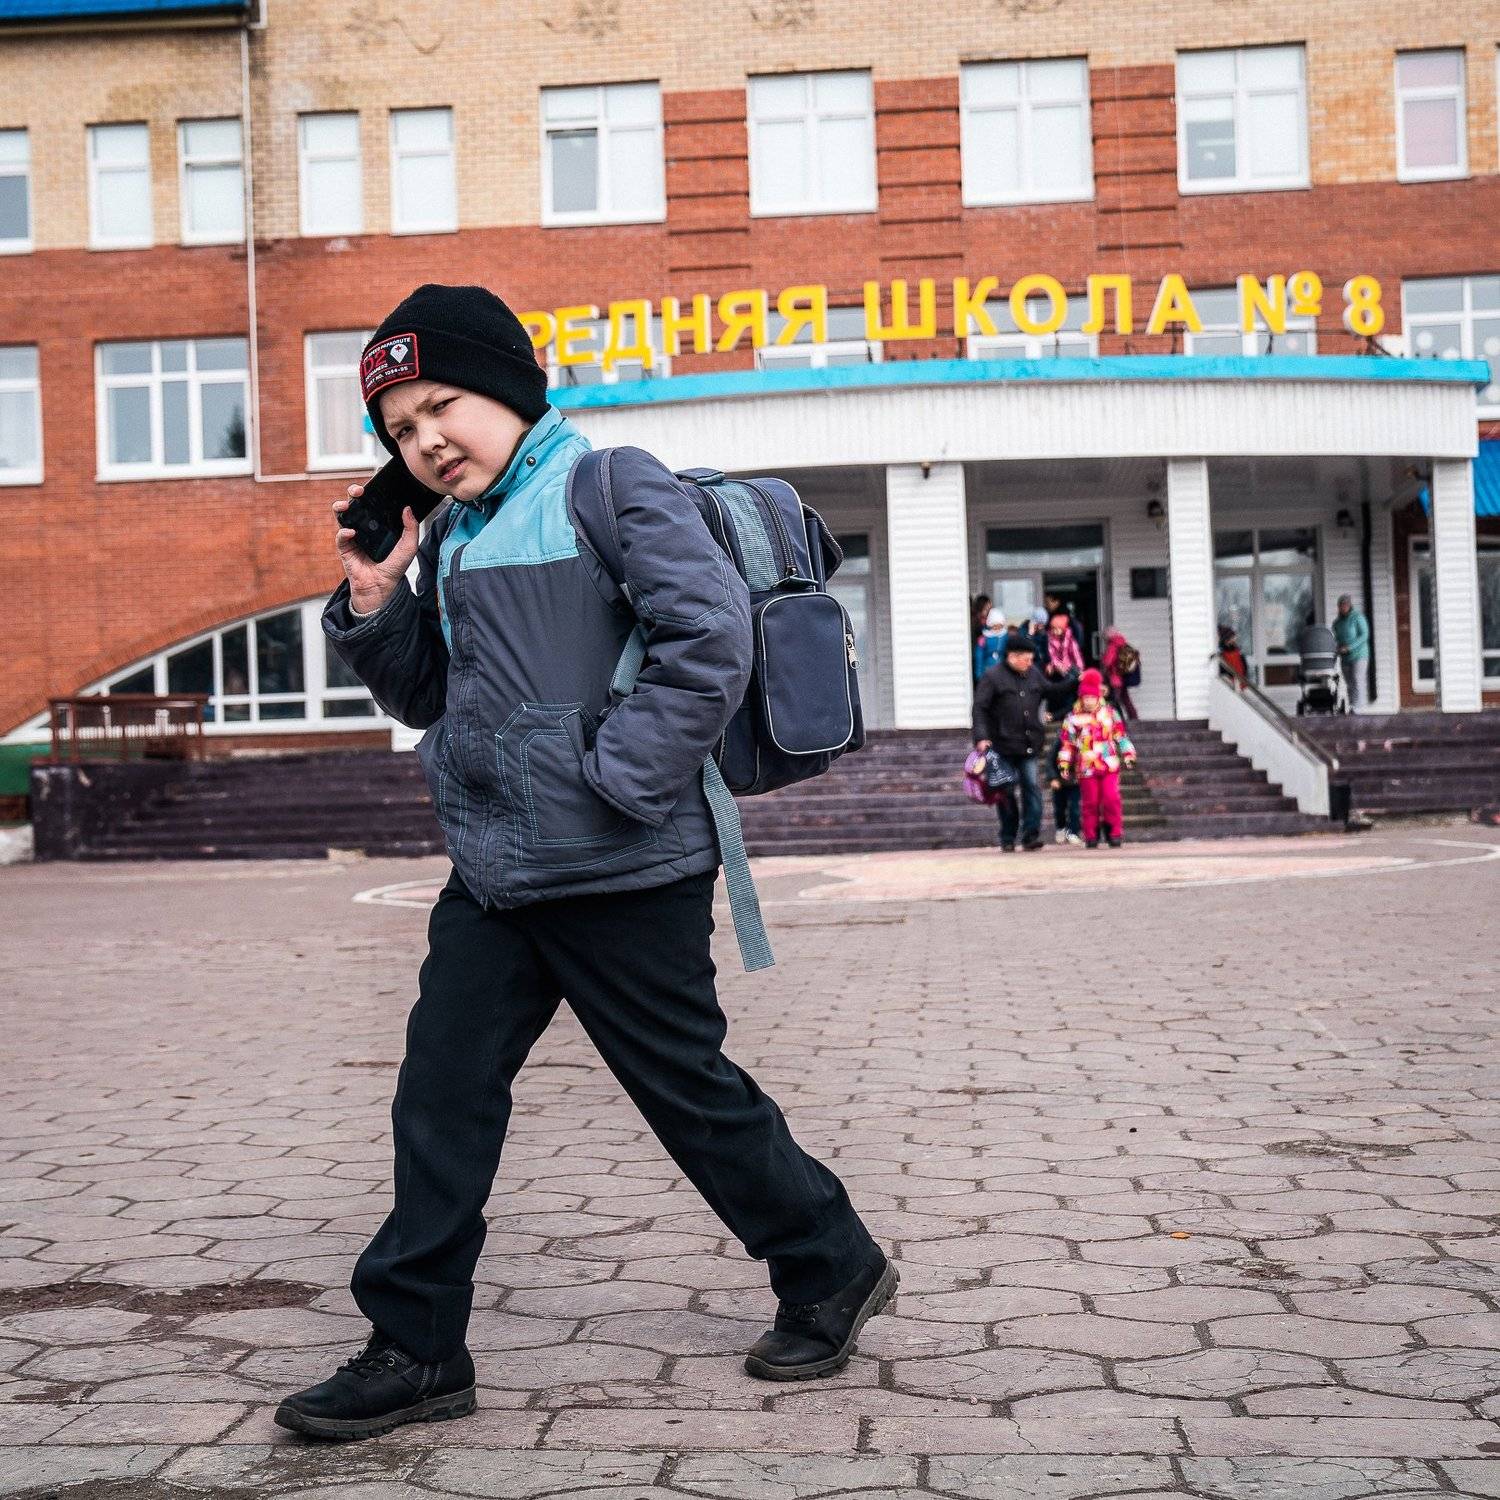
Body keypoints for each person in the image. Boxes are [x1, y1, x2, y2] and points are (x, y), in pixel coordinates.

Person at [277, 284, 894, 1443]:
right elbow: (428, 696)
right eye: (401, 429)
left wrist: (617, 782)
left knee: (686, 1093)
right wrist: (375, 596)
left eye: (442, 406)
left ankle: (830, 1259)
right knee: (441, 1096)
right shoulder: (454, 534)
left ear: (507, 388)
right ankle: (417, 1346)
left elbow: (710, 642)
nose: (426, 442)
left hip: (626, 865)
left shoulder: (611, 486)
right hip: (495, 873)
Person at [972, 632, 1078, 852]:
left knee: (1032, 787)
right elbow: (980, 709)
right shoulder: (992, 677)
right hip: (1001, 746)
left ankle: (1030, 835)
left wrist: (1073, 681)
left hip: (1029, 743)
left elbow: (1052, 690)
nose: (1030, 663)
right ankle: (1008, 836)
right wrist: (981, 737)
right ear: (1012, 656)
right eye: (1026, 659)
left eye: (1031, 659)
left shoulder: (1033, 674)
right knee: (1006, 791)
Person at [1057, 668, 1137, 849]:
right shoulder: (1073, 718)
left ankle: (1114, 833)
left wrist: (1128, 754)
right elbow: (1067, 743)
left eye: (1091, 697)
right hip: (1087, 766)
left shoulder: (1110, 713)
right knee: (1090, 802)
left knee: (1111, 798)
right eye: (1085, 698)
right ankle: (1091, 835)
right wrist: (1064, 763)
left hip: (1109, 764)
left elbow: (1121, 736)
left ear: (1098, 697)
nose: (1088, 701)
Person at [1333, 593, 1370, 710]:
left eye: (1345, 605)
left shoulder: (1357, 618)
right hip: (1345, 658)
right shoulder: (1337, 623)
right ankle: (1353, 706)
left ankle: (1359, 708)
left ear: (1349, 605)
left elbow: (1364, 635)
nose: (1342, 607)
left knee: (1358, 680)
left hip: (1359, 656)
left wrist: (1350, 647)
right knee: (1349, 683)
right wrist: (1337, 648)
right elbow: (1337, 638)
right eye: (1340, 605)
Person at [1047, 726, 1082, 845]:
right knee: (1059, 808)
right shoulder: (1060, 742)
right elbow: (1050, 760)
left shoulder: (1085, 742)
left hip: (1076, 781)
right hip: (1060, 781)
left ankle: (1073, 831)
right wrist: (1053, 778)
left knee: (1075, 808)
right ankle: (1061, 827)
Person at [1100, 627, 1140, 720]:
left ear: (1109, 635)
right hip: (1123, 677)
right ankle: (1134, 718)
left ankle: (1117, 719)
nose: (1104, 637)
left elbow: (1107, 662)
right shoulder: (1123, 643)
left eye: (1105, 635)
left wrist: (1103, 658)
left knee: (1114, 700)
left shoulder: (1113, 645)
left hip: (1115, 678)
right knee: (1125, 699)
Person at [1043, 591, 1086, 660]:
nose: (1046, 606)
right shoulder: (1049, 617)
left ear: (1057, 602)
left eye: (1048, 602)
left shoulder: (1066, 620)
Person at [1044, 609, 1085, 679]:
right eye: (1053, 629)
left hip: (1068, 666)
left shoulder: (1069, 638)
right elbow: (1051, 655)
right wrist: (1057, 665)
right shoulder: (1049, 638)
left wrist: (1080, 667)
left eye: (1057, 629)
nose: (1054, 631)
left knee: (1076, 676)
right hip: (1056, 667)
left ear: (1063, 629)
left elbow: (1075, 653)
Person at [973, 606, 1006, 681]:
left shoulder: (1005, 637)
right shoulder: (983, 638)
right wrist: (979, 674)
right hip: (988, 670)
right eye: (995, 626)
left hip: (1002, 671)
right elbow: (979, 656)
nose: (997, 629)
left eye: (1000, 626)